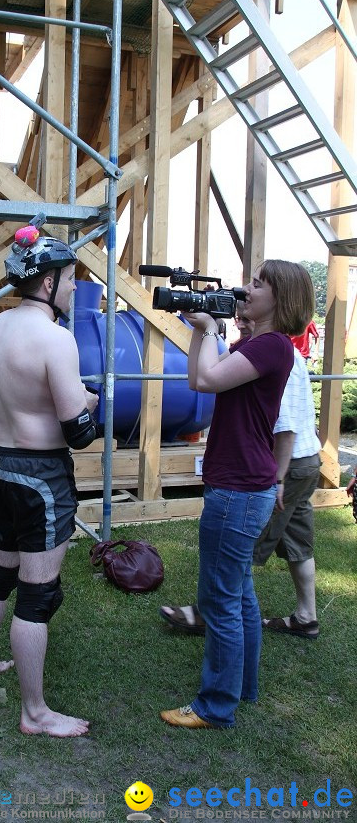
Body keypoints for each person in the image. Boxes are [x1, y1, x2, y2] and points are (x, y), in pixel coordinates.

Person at [159, 261, 315, 730]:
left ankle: (214, 706)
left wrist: (207, 328)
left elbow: (206, 380)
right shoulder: (256, 344)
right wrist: (201, 329)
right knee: (240, 594)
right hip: (243, 484)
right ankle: (241, 689)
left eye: (258, 284)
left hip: (239, 489)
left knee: (222, 599)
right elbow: (197, 378)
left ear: (281, 299)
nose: (247, 289)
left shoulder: (270, 347)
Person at [0, 230, 99, 738]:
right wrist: (89, 402)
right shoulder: (55, 338)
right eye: (70, 281)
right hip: (41, 477)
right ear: (48, 281)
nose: (72, 290)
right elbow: (79, 434)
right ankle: (35, 713)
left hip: (0, 465)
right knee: (36, 595)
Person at [161, 339, 322, 640]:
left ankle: (212, 614)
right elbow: (201, 376)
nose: (241, 315)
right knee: (298, 542)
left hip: (285, 464)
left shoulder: (269, 353)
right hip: (307, 459)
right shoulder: (279, 351)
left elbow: (284, 430)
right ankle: (306, 616)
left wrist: (278, 480)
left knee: (237, 548)